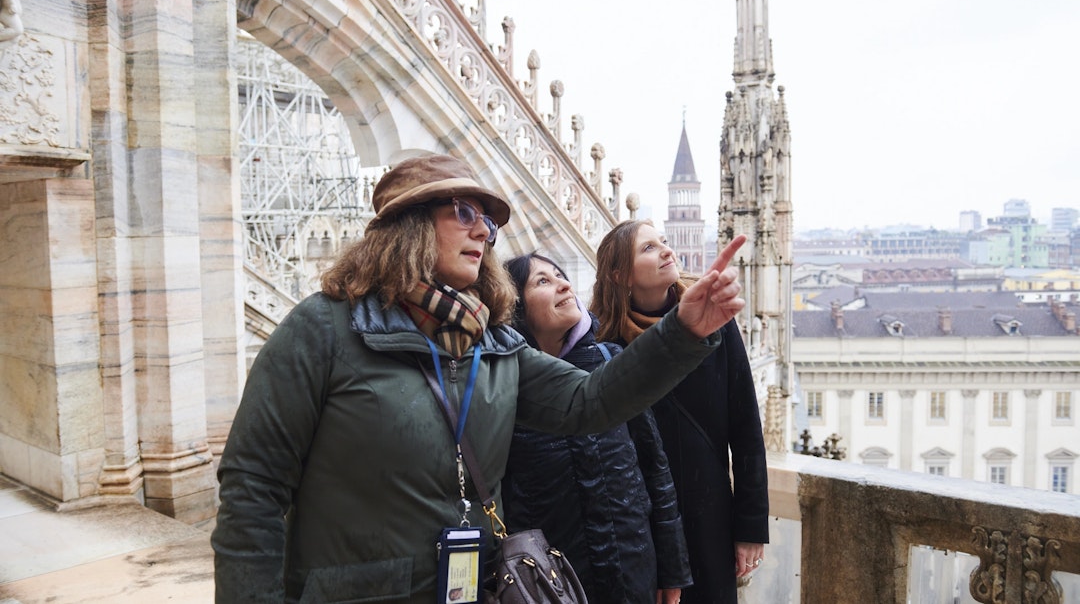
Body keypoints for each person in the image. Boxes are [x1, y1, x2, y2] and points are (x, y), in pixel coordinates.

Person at [211, 153, 748, 604]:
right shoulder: (325, 329)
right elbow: (252, 488)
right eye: (464, 212)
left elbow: (590, 401)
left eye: (488, 223)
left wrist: (681, 330)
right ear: (410, 224)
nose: (483, 232)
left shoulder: (490, 344)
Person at [590, 220, 769, 604]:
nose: (667, 251)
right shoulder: (605, 345)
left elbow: (747, 427)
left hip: (710, 517)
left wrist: (750, 528)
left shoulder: (715, 320)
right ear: (620, 274)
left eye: (665, 242)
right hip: (642, 526)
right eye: (649, 248)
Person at [501, 252, 692, 604]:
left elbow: (654, 468)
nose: (564, 284)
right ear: (515, 308)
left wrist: (672, 567)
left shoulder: (609, 361)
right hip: (548, 581)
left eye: (561, 274)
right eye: (542, 281)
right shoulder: (505, 385)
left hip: (632, 569)